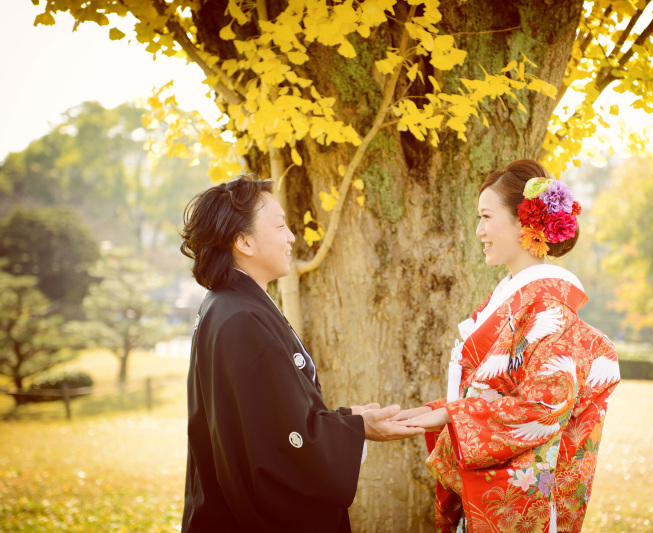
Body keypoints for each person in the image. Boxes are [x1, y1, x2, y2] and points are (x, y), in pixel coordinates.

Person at [179, 174, 423, 533]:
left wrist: (347, 420)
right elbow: (277, 446)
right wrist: (356, 429)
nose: (292, 236)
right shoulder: (240, 318)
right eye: (280, 226)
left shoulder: (231, 306)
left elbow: (270, 418)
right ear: (244, 241)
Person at [395, 160, 621, 533]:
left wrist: (453, 415)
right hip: (483, 489)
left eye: (486, 217)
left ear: (524, 223)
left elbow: (542, 407)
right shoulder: (513, 300)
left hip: (522, 499)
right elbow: (494, 393)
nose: (479, 230)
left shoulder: (550, 310)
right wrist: (437, 410)